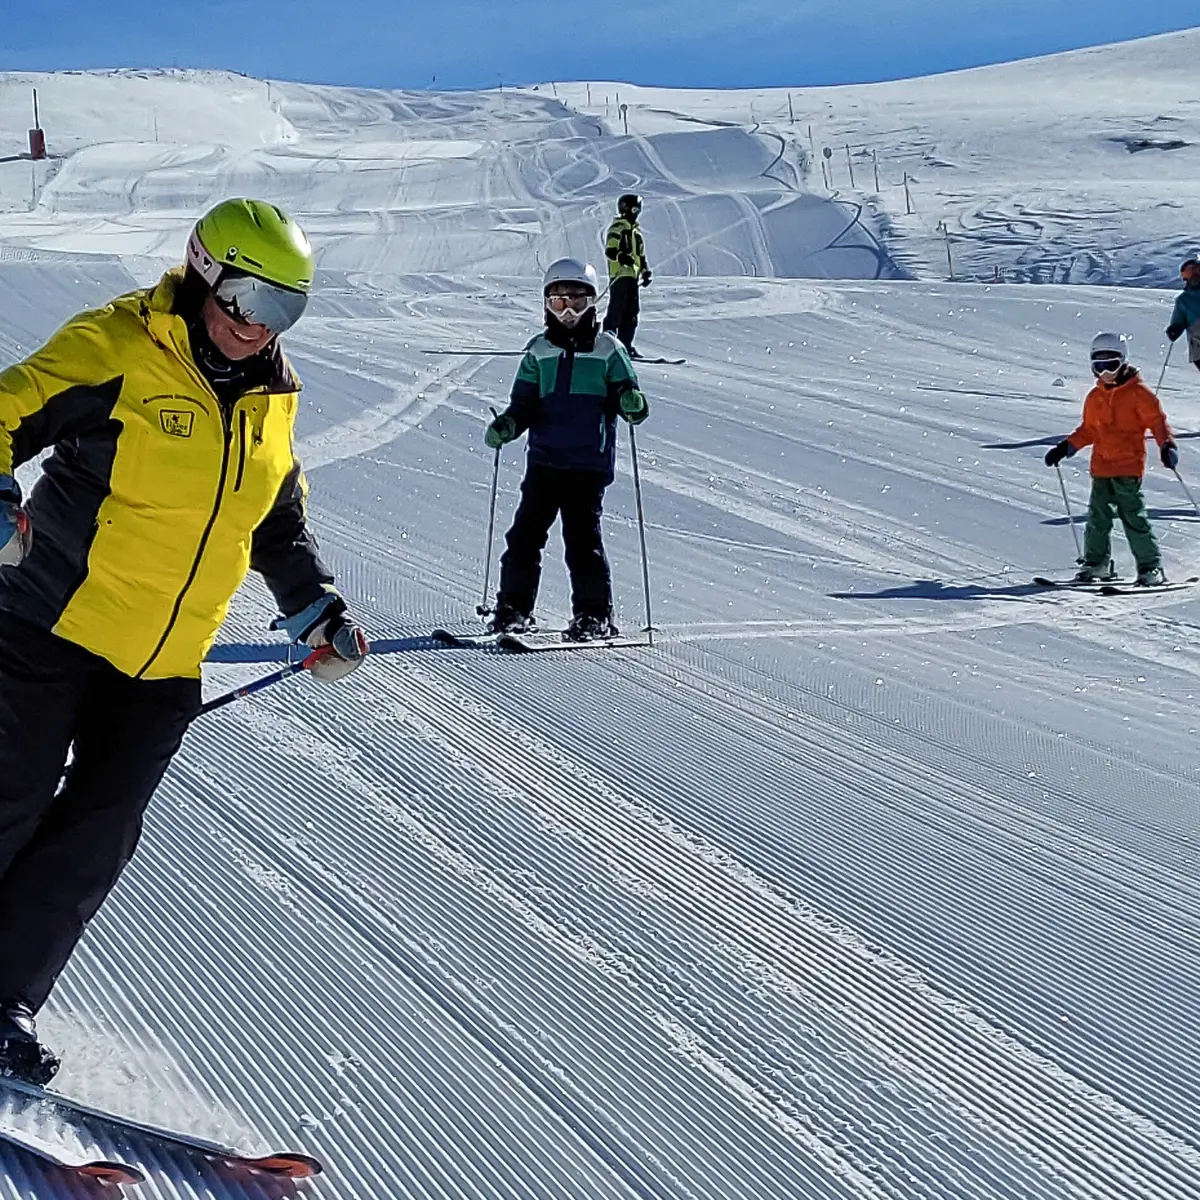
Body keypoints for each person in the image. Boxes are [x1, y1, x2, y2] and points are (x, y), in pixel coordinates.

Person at [0, 198, 369, 1084]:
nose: (260, 327)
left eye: (285, 310)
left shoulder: (273, 398)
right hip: (50, 623)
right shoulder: (118, 346)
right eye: (248, 299)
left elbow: (275, 518)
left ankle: (4, 999)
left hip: (164, 662)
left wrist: (313, 605)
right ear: (205, 272)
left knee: (97, 835)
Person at [483, 258, 648, 641]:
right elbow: (523, 404)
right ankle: (513, 608)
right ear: (546, 305)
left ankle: (593, 614)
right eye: (559, 302)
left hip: (588, 464)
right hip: (545, 460)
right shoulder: (538, 351)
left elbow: (629, 394)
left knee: (581, 540)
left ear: (594, 303)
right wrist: (507, 425)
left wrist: (631, 402)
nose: (569, 311)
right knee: (524, 537)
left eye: (578, 301)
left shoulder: (608, 350)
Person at [1044, 332, 1178, 585]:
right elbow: (1089, 430)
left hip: (1128, 466)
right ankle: (1097, 564)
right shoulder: (1094, 398)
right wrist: (1066, 447)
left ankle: (1151, 567)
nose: (1105, 372)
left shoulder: (1139, 394)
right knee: (1097, 518)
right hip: (1101, 467)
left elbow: (1157, 422)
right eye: (1099, 366)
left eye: (1111, 365)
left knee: (1133, 517)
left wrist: (1166, 445)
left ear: (1123, 361)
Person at [602, 193, 652, 357]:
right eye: (634, 208)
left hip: (632, 277)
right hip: (620, 274)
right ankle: (608, 344)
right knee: (617, 310)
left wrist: (645, 272)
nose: (636, 212)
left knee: (631, 312)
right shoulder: (618, 227)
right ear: (625, 208)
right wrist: (620, 256)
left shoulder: (636, 233)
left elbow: (641, 256)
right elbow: (610, 250)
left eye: (638, 209)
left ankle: (626, 346)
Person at [1166, 255, 1200, 372]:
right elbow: (1178, 320)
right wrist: (1175, 329)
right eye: (1191, 273)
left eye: (1197, 271)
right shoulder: (1184, 300)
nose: (1195, 276)